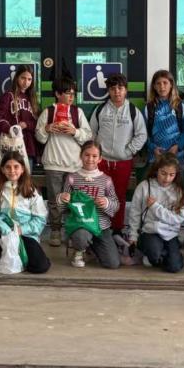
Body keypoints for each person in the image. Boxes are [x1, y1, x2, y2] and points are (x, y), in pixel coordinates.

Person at [35, 75, 92, 246]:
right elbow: (39, 137)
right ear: (57, 94)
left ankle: (73, 231)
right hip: (53, 162)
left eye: (73, 93)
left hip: (75, 164)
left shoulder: (77, 112)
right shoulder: (48, 112)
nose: (71, 97)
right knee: (55, 199)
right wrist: (47, 128)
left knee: (74, 199)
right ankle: (55, 230)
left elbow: (88, 136)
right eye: (67, 93)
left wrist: (74, 131)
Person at [88, 72, 147, 232]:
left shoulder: (133, 111)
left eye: (120, 88)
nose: (117, 92)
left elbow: (142, 134)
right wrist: (96, 153)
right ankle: (98, 227)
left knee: (118, 196)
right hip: (102, 162)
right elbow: (91, 133)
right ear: (108, 91)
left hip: (123, 162)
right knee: (98, 195)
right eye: (113, 88)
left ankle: (117, 229)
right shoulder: (100, 109)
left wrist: (129, 150)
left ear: (126, 90)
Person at [0, 152, 50, 274]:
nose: (12, 170)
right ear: (2, 170)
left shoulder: (31, 190)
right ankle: (1, 255)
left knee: (40, 266)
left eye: (16, 167)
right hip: (3, 232)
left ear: (22, 169)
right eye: (8, 167)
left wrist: (21, 230)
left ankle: (19, 255)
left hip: (25, 234)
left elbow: (40, 219)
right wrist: (5, 229)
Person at [58, 141, 120, 269]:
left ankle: (92, 247)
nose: (90, 159)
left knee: (112, 263)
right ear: (81, 156)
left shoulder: (106, 180)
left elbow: (116, 204)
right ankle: (79, 249)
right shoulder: (72, 178)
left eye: (94, 156)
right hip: (81, 223)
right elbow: (63, 209)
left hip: (101, 226)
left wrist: (106, 202)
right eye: (87, 155)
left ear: (100, 158)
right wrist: (62, 199)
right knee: (81, 236)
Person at [126, 153, 184, 273]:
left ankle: (168, 253)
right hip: (150, 231)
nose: (167, 178)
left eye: (171, 175)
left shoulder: (178, 191)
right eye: (163, 173)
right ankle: (153, 253)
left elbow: (178, 219)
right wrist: (133, 235)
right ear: (156, 170)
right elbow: (135, 212)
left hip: (170, 234)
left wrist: (155, 207)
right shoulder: (144, 186)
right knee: (154, 254)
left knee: (174, 267)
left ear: (176, 174)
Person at [0, 65, 40, 164]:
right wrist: (10, 128)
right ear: (16, 78)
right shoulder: (9, 96)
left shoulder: (33, 99)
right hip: (12, 146)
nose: (26, 82)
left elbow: (38, 123)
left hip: (29, 148)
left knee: (26, 178)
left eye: (29, 79)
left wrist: (27, 124)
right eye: (23, 78)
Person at [144, 70, 184, 166]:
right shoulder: (149, 108)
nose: (162, 87)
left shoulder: (180, 106)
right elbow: (143, 133)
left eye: (165, 83)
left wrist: (178, 146)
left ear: (171, 85)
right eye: (158, 83)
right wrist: (153, 148)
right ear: (154, 86)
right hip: (155, 157)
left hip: (177, 156)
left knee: (176, 180)